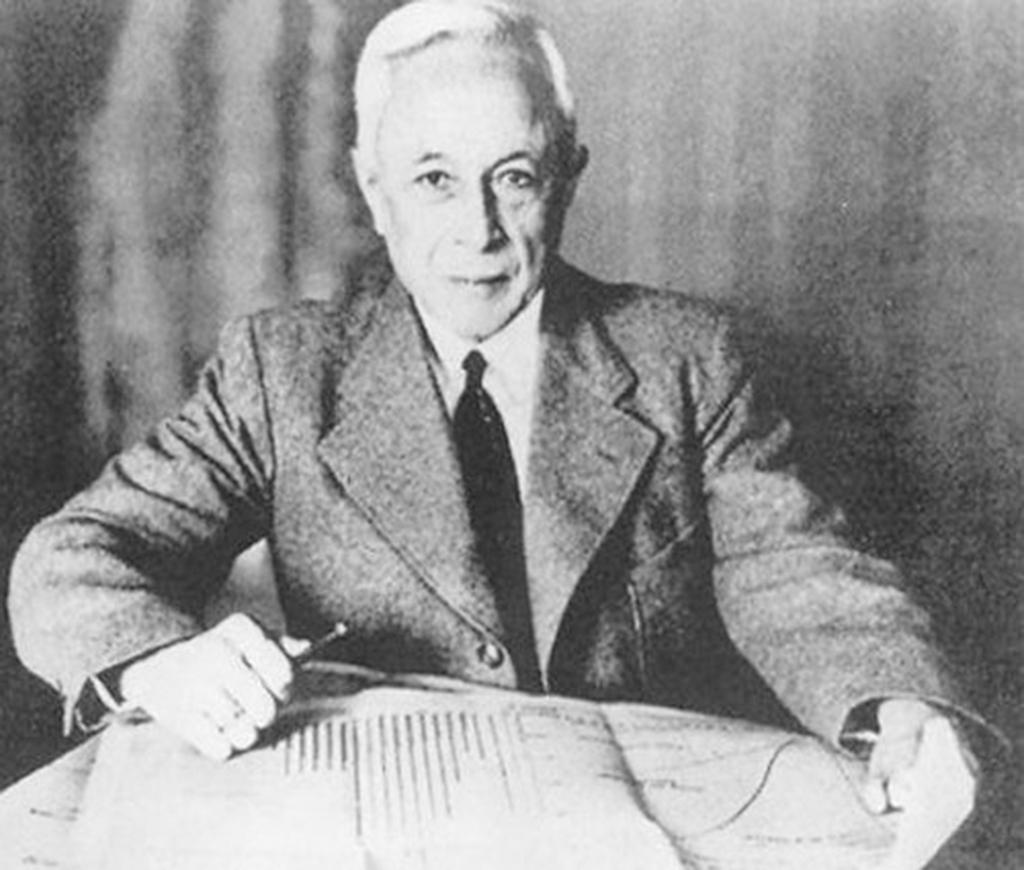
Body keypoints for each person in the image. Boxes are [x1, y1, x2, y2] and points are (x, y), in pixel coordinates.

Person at [10, 0, 981, 855]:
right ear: (373, 191)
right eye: (433, 179)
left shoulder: (688, 359)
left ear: (569, 178)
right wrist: (158, 659)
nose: (476, 230)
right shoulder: (284, 371)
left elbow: (797, 570)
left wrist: (898, 704)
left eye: (513, 177)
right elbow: (74, 556)